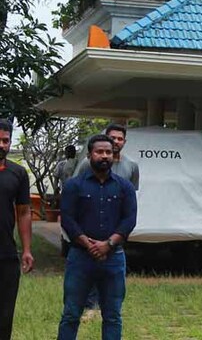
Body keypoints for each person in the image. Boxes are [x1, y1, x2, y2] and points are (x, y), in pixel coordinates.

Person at [57, 134, 138, 340]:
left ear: (114, 155)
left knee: (112, 315)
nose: (104, 156)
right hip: (80, 258)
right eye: (99, 152)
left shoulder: (124, 187)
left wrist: (108, 244)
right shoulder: (74, 186)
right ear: (90, 155)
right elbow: (67, 219)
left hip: (113, 258)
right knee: (71, 314)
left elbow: (129, 220)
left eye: (108, 152)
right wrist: (89, 245)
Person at [1, 119, 34, 340]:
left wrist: (27, 249)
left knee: (4, 316)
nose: (2, 145)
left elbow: (23, 212)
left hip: (5, 256)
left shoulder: (18, 173)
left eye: (6, 140)